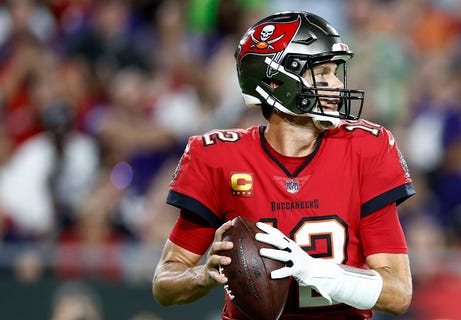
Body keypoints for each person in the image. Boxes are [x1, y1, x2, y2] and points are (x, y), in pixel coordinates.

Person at [152, 11, 415, 319]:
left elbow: (398, 293)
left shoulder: (365, 149)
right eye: (322, 72)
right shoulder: (218, 158)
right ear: (276, 83)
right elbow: (164, 284)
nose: (334, 83)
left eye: (335, 71)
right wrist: (202, 275)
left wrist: (314, 271)